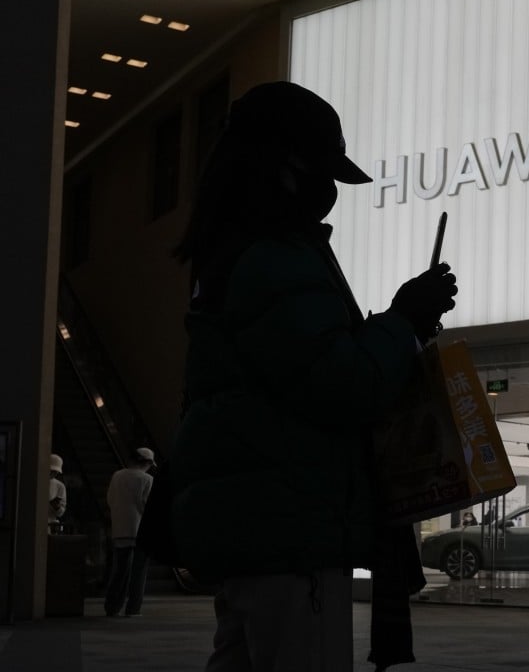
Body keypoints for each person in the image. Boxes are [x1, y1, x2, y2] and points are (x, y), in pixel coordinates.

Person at [168, 81, 457, 672]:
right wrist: (403, 322)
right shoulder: (274, 258)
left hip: (259, 535)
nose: (330, 192)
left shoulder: (232, 254)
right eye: (323, 171)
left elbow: (309, 363)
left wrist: (397, 326)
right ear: (286, 167)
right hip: (291, 536)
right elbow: (342, 383)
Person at [105, 447, 155, 617]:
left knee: (119, 570)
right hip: (139, 531)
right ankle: (133, 608)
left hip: (119, 529)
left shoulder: (117, 476)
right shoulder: (147, 479)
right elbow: (147, 506)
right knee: (138, 572)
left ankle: (112, 607)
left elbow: (110, 499)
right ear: (147, 463)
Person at [48, 454, 67, 534]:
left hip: (50, 525)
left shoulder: (60, 486)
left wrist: (57, 507)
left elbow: (61, 512)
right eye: (52, 471)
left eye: (56, 472)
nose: (54, 473)